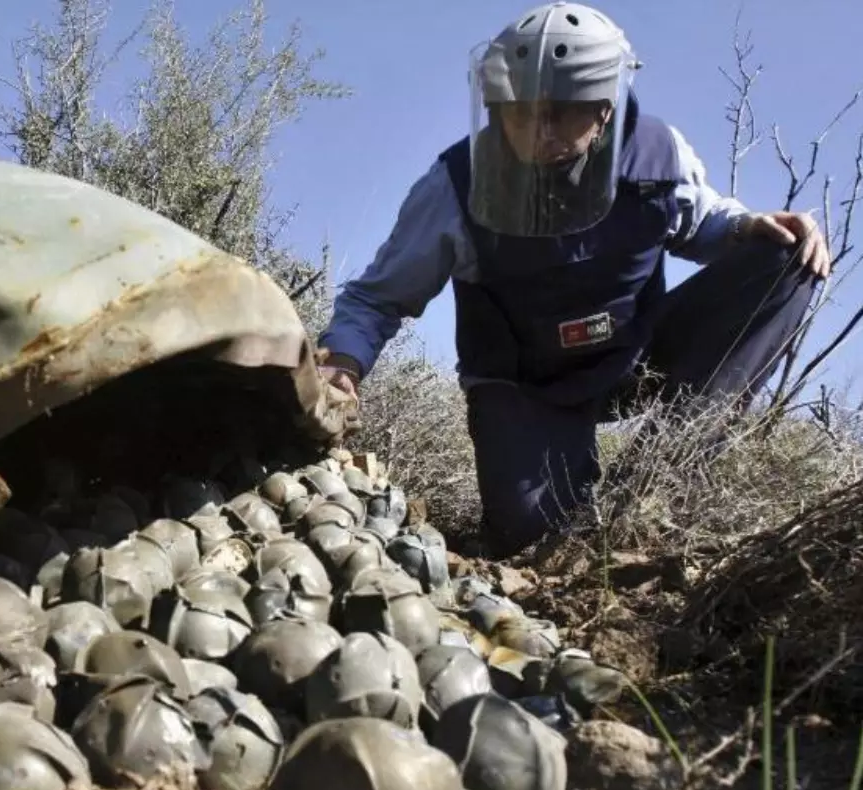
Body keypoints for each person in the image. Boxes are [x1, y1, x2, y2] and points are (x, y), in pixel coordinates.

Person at [315, 1, 832, 559]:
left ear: (604, 109)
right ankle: (558, 495)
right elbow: (377, 296)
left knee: (789, 258)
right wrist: (343, 361)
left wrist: (747, 225)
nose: (538, 131)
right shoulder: (454, 187)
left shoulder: (657, 153)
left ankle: (656, 481)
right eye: (520, 111)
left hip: (634, 356)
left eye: (561, 112)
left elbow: (699, 219)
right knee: (534, 539)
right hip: (527, 385)